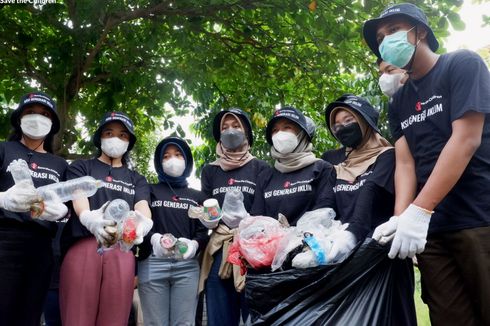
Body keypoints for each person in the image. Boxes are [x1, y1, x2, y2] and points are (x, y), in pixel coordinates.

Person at [363, 3, 490, 325]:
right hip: (432, 231)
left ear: (419, 31)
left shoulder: (461, 64)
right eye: (380, 37)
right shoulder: (399, 102)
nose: (385, 41)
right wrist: (400, 219)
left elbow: (465, 139)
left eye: (392, 31)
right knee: (448, 317)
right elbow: (405, 163)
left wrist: (419, 211)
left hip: (479, 216)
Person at [60, 111, 153, 326]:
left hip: (122, 250)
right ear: (99, 137)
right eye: (109, 132)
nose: (115, 139)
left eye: (122, 135)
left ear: (129, 141)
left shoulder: (136, 179)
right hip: (84, 245)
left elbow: (142, 205)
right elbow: (79, 197)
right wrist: (88, 218)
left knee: (115, 318)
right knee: (77, 316)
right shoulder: (81, 167)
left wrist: (142, 223)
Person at [0, 91, 68, 326]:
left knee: (29, 316)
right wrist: (3, 199)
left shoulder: (59, 164)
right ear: (19, 118)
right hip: (4, 241)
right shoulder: (3, 150)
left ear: (52, 123)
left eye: (44, 114)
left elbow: (66, 203)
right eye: (30, 112)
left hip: (41, 247)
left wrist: (60, 211)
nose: (37, 118)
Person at [199, 108, 269, 326]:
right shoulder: (210, 171)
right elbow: (206, 206)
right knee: (219, 318)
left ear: (246, 131)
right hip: (219, 249)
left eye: (236, 125)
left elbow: (263, 210)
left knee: (256, 317)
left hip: (253, 250)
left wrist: (246, 220)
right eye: (225, 127)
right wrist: (209, 218)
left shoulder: (261, 167)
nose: (231, 130)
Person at [137, 136, 209, 325]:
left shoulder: (198, 196)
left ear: (187, 161)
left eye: (178, 155)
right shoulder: (149, 190)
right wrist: (155, 239)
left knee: (184, 323)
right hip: (153, 263)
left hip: (187, 266)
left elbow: (203, 231)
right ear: (159, 163)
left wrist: (194, 245)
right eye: (166, 156)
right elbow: (140, 221)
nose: (172, 160)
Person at [250, 106, 335, 226]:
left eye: (287, 127)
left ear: (301, 133)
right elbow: (257, 218)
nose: (280, 134)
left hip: (310, 241)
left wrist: (296, 237)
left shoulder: (322, 169)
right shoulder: (265, 176)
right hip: (271, 242)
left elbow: (325, 211)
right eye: (275, 130)